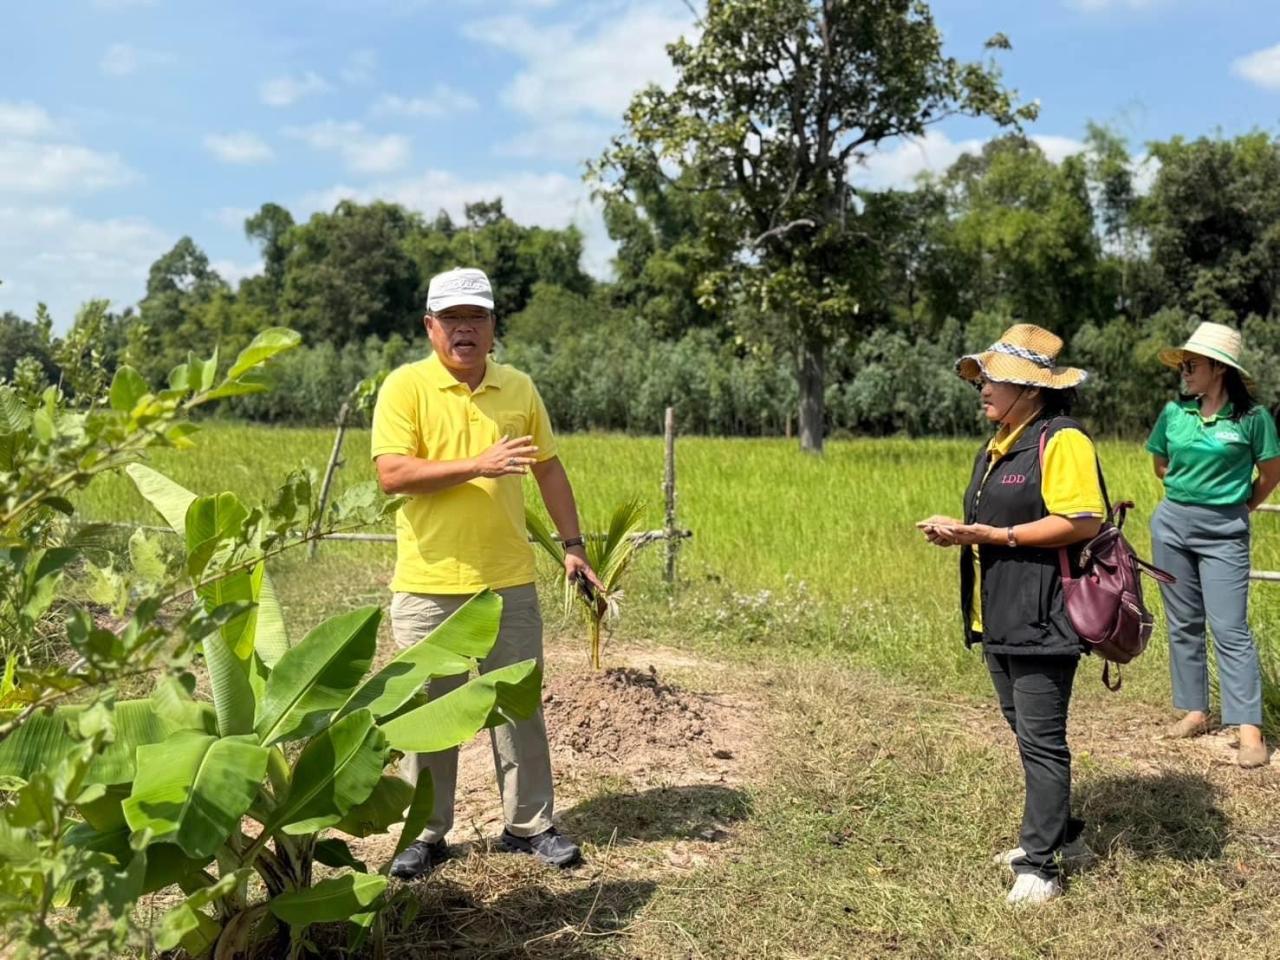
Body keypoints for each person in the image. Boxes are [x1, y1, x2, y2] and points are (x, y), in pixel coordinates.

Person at [371, 266, 603, 879]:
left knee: (518, 704)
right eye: (451, 320)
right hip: (428, 584)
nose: (463, 329)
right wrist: (479, 464)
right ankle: (425, 834)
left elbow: (549, 469)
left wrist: (573, 544)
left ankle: (530, 825)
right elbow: (392, 473)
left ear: (494, 327)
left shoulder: (519, 389)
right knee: (427, 711)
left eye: (475, 317)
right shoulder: (405, 388)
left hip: (507, 579)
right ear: (430, 328)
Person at [917, 324, 1104, 906]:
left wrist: (996, 533)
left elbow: (1082, 520)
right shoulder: (1000, 444)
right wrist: (962, 530)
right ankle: (1063, 834)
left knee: (1042, 739)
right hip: (1001, 613)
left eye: (993, 378)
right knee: (1023, 728)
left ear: (1031, 389)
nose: (982, 387)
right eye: (983, 377)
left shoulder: (1062, 439)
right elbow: (1000, 523)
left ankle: (1041, 863)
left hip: (1046, 613)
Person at [1146, 321, 1280, 768]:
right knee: (1183, 622)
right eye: (1182, 364)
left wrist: (1239, 508)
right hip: (1171, 526)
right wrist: (1190, 495)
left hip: (1226, 532)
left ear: (1218, 369)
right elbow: (1161, 466)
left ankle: (1249, 729)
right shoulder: (1174, 414)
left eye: (1192, 364)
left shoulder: (1253, 419)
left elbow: (1270, 474)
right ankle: (1196, 711)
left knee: (1230, 629)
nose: (1184, 372)